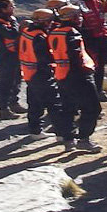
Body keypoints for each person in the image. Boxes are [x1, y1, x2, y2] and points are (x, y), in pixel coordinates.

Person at [50, 5, 104, 153]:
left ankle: (68, 140)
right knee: (93, 108)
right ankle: (84, 140)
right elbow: (76, 56)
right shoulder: (72, 33)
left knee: (68, 107)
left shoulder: (55, 32)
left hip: (62, 74)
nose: (80, 18)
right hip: (78, 76)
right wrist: (85, 70)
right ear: (72, 17)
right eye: (78, 16)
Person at [20, 9, 70, 141]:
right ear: (45, 21)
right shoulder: (39, 37)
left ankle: (35, 131)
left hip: (29, 73)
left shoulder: (27, 32)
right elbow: (44, 57)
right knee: (54, 103)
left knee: (35, 103)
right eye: (50, 20)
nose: (51, 23)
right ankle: (62, 134)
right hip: (41, 74)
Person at [0, 0, 28, 119]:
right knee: (5, 82)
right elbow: (12, 34)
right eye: (11, 7)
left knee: (16, 80)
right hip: (3, 56)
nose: (13, 8)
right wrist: (19, 27)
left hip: (14, 54)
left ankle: (14, 103)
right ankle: (3, 109)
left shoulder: (10, 20)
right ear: (3, 9)